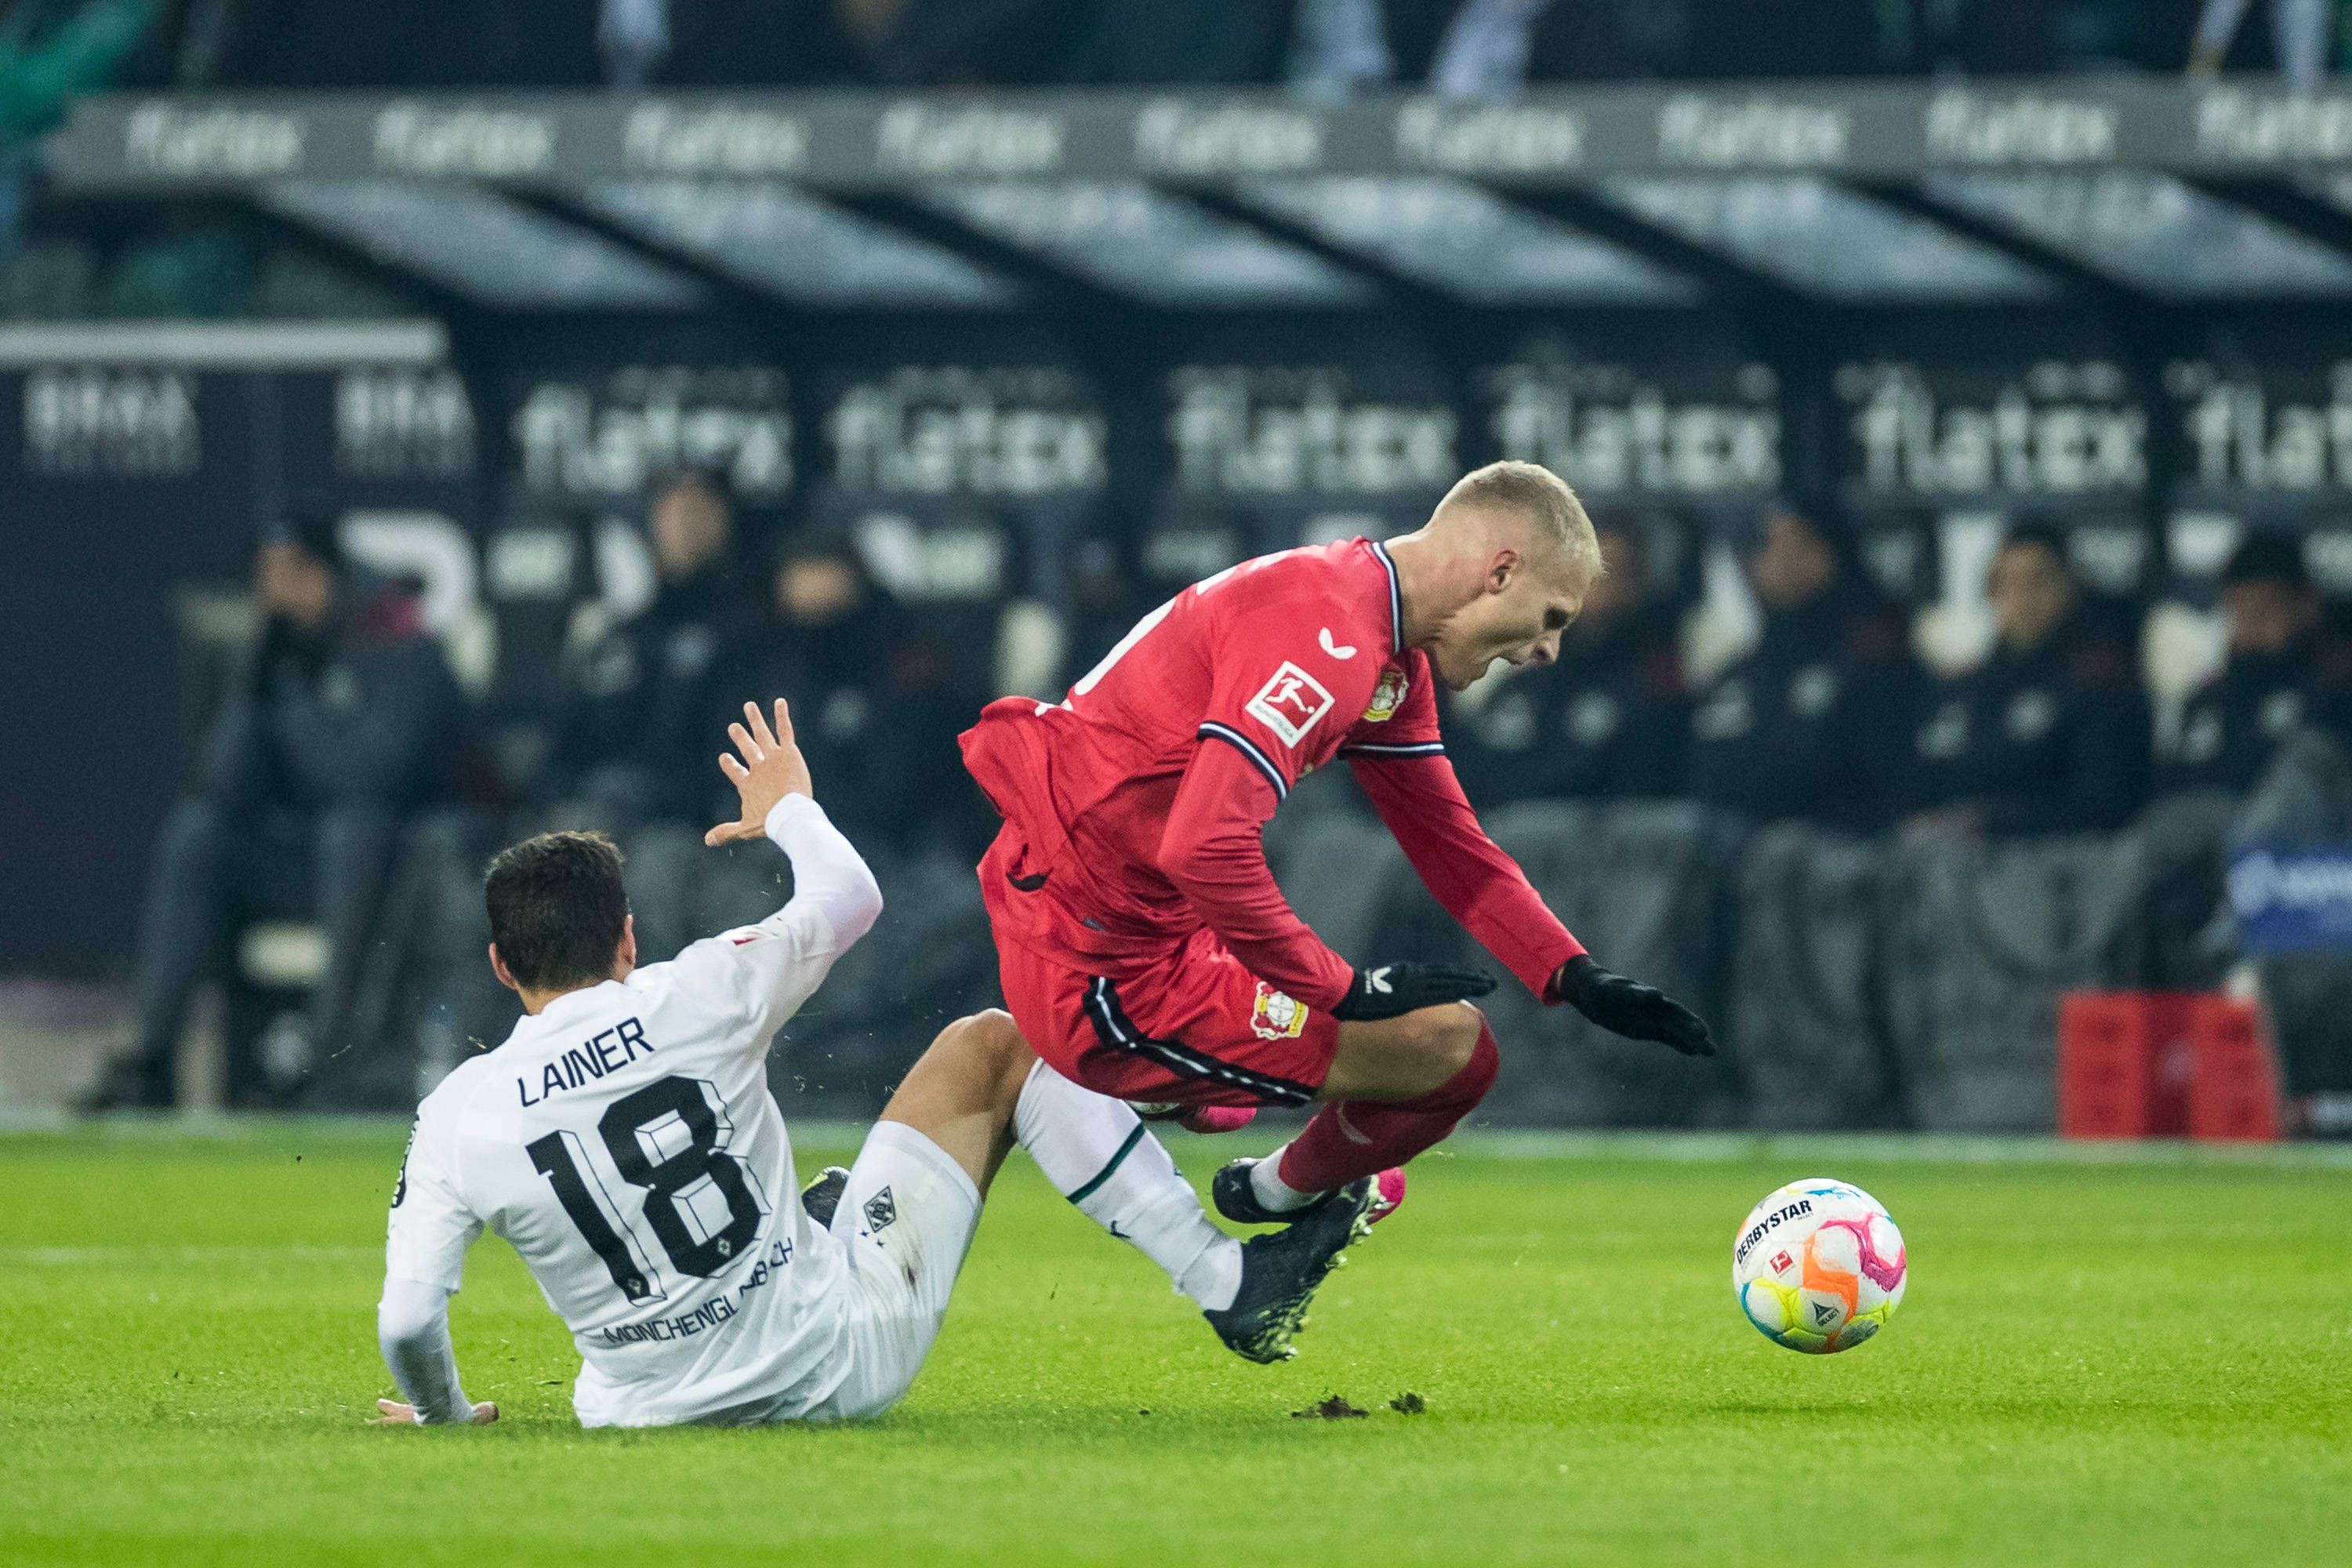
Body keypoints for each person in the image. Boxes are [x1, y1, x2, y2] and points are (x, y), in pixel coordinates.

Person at [376, 698, 1359, 1428]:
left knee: (825, 1195)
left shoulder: (457, 1113)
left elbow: (410, 1321)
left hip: (641, 1412)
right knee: (1002, 1042)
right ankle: (1222, 1274)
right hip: (832, 1362)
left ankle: (824, 1222)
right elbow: (852, 894)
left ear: (502, 965)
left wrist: (446, 1414)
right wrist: (789, 808)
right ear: (627, 938)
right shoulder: (699, 990)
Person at [954, 461, 1715, 1363]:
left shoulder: (1375, 641)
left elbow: (1452, 846)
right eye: (1551, 618)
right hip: (1096, 958)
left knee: (1270, 1092)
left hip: (1134, 925)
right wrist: (1341, 986)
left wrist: (1571, 972)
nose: (1547, 650)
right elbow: (1202, 845)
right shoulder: (1328, 637)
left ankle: (1247, 1182)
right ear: (1499, 571)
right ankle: (1260, 1229)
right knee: (1449, 1056)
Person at [84, 516, 462, 1110]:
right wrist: (255, 685)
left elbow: (377, 778)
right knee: (198, 835)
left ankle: (330, 1054)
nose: (279, 593)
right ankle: (153, 1061)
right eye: (268, 578)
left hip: (392, 879)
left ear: (330, 575)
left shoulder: (398, 640)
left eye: (293, 574)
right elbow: (222, 784)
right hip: (303, 869)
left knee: (352, 830)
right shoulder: (275, 657)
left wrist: (297, 710)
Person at [1903, 521, 2151, 834]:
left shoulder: (2100, 683)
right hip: (1945, 859)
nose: (2023, 598)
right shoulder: (1961, 688)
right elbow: (1915, 781)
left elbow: (2105, 804)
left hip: (2058, 863)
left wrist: (1992, 823)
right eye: (2008, 583)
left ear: (2069, 586)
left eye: (2039, 581)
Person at [1682, 505, 1911, 830]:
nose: (1774, 562)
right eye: (1765, 548)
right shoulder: (1734, 676)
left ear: (1827, 555)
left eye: (1788, 546)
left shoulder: (1871, 665)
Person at [1448, 510, 1685, 807]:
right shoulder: (1523, 686)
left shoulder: (1654, 694)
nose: (1598, 592)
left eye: (1615, 576)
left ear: (1639, 586)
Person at [2162, 533, 2347, 794]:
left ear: (2307, 605)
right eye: (2238, 612)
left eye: (2263, 613)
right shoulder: (2211, 698)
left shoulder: (2334, 692)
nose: (2248, 629)